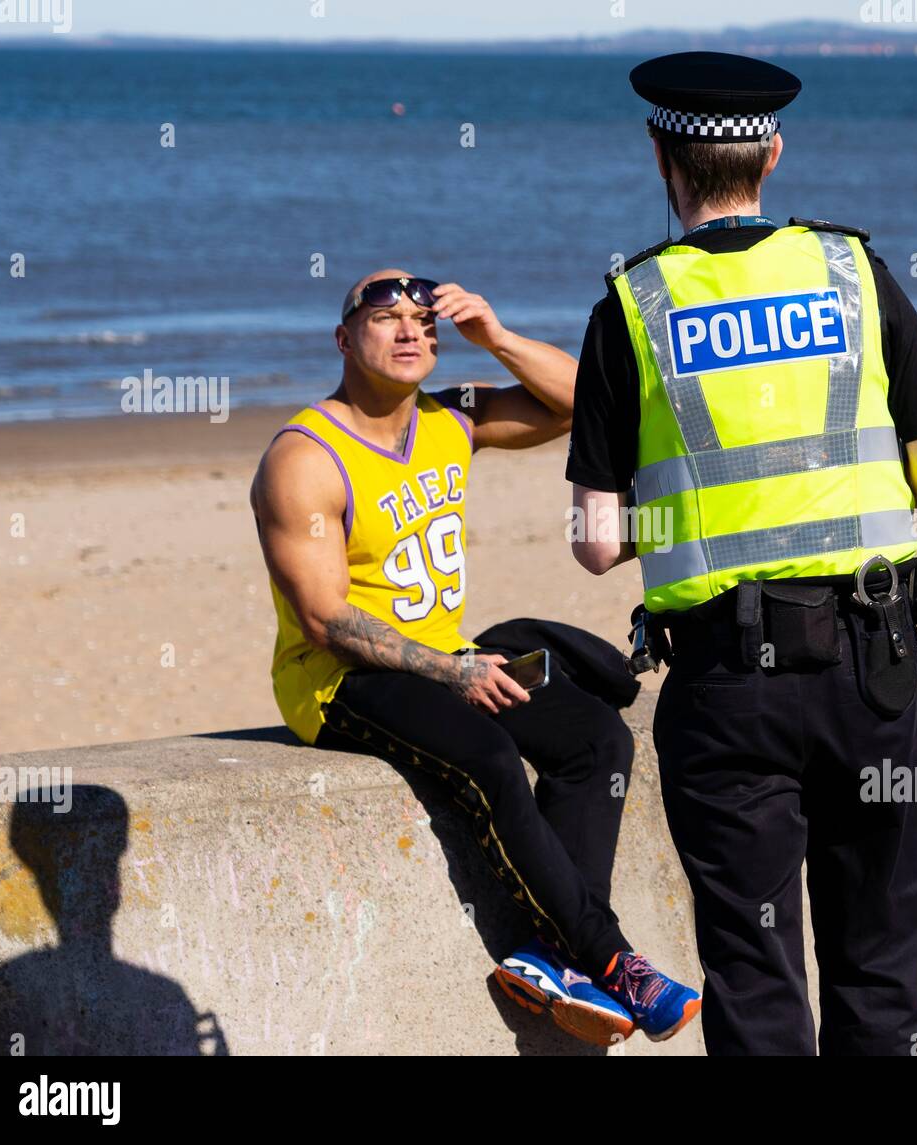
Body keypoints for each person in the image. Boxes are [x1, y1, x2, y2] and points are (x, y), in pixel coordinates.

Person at [569, 52, 917, 1056]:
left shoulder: (631, 305)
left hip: (724, 684)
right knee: (881, 962)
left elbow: (596, 541)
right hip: (875, 668)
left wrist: (697, 523)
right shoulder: (852, 272)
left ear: (661, 157)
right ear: (774, 153)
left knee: (754, 973)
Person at [250, 268, 700, 1047]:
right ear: (343, 337)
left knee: (599, 740)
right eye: (384, 317)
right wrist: (453, 672)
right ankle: (614, 959)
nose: (408, 331)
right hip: (341, 679)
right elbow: (324, 619)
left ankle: (549, 958)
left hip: (448, 656)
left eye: (422, 321)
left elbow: (580, 401)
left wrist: (493, 337)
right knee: (489, 752)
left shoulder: (452, 419)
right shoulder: (304, 457)